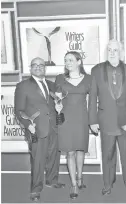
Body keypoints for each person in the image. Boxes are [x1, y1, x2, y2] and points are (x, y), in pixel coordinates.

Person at [89, 40, 126, 195]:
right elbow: (92, 97)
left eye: (115, 50)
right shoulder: (96, 70)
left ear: (121, 53)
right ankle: (107, 183)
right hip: (106, 120)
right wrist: (92, 120)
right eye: (109, 50)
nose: (112, 53)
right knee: (108, 154)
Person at [14, 57, 65, 202]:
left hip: (53, 127)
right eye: (34, 65)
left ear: (45, 68)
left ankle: (52, 180)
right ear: (30, 68)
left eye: (41, 65)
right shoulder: (22, 86)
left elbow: (57, 104)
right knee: (37, 160)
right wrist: (27, 125)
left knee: (54, 156)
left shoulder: (52, 85)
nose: (38, 67)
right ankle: (36, 189)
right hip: (35, 129)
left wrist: (59, 109)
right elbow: (18, 110)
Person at [54, 51, 92, 199]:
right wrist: (57, 105)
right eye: (66, 60)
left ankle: (80, 178)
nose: (68, 63)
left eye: (71, 60)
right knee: (70, 152)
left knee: (80, 149)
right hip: (66, 119)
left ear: (79, 62)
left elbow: (95, 97)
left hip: (82, 118)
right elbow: (57, 98)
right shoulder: (60, 78)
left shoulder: (89, 79)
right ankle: (74, 184)